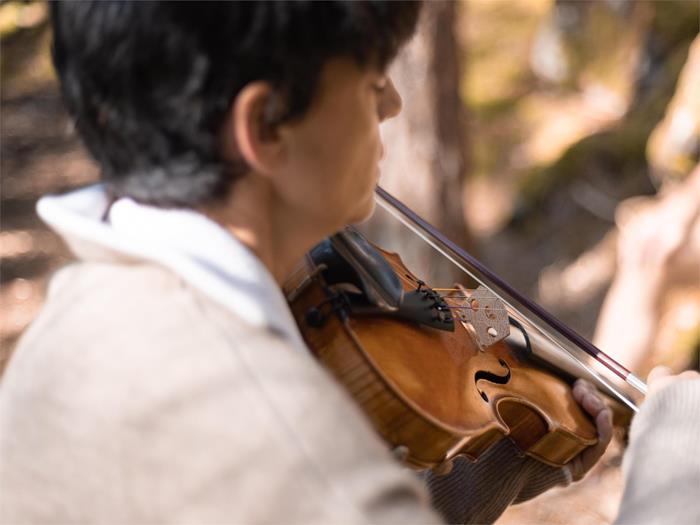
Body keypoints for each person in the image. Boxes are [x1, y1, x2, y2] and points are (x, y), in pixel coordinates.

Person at [0, 2, 696, 524]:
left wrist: (500, 461)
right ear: (266, 123)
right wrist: (676, 475)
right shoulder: (280, 432)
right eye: (370, 82)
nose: (393, 103)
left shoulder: (71, 328)